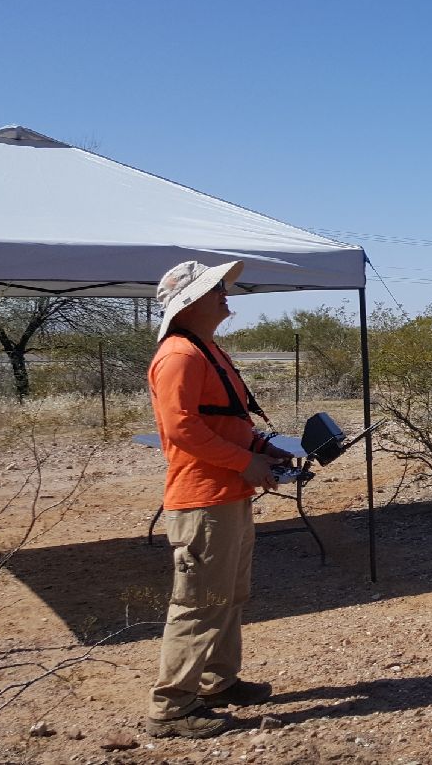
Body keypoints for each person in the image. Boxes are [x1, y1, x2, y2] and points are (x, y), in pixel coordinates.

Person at [145, 260, 289, 739]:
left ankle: (217, 682)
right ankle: (172, 706)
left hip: (227, 492)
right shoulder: (181, 356)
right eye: (215, 289)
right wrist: (243, 462)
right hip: (203, 498)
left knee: (228, 594)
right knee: (200, 601)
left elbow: (226, 420)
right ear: (190, 303)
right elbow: (182, 428)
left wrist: (262, 450)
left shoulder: (205, 350)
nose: (226, 295)